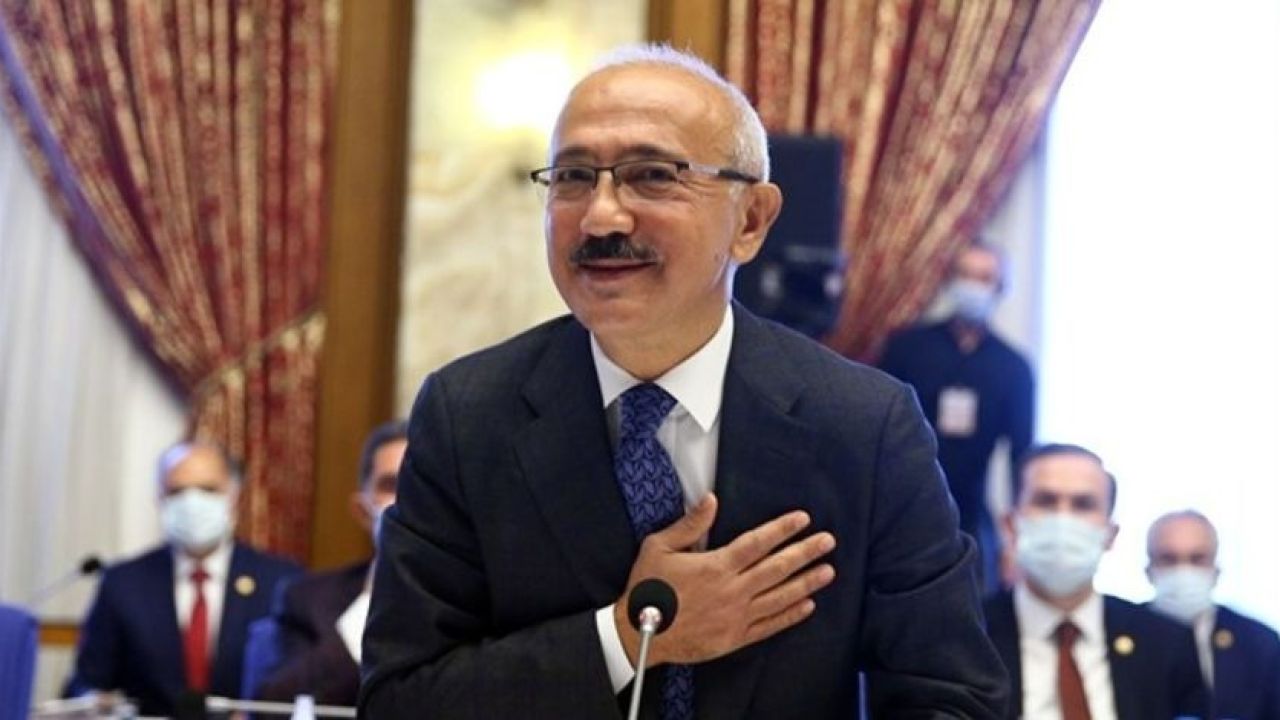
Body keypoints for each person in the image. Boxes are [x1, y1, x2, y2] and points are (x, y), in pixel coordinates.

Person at [360, 44, 1007, 719]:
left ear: (750, 221)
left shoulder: (864, 425)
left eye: (651, 176)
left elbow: (953, 700)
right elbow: (400, 700)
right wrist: (625, 638)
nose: (601, 217)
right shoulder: (468, 416)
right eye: (574, 177)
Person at [66, 441, 301, 717]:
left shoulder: (281, 581)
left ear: (234, 496)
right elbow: (84, 685)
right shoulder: (122, 584)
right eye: (177, 491)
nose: (192, 503)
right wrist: (98, 703)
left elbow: (298, 687)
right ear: (159, 499)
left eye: (208, 490)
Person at [984, 443, 1208, 719]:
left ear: (1110, 534)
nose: (1063, 519)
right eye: (1046, 501)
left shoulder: (1166, 643)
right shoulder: (969, 637)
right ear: (1010, 524)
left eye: (1083, 504)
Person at [878, 241, 1035, 592]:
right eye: (965, 275)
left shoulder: (1013, 367)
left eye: (984, 278)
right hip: (901, 504)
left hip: (972, 511)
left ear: (1000, 288)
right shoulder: (907, 347)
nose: (973, 286)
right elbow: (876, 429)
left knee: (975, 600)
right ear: (949, 279)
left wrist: (1019, 540)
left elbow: (1021, 458)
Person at [245, 420, 408, 704]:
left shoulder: (480, 596)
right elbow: (272, 706)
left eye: (422, 482)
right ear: (362, 510)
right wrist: (369, 606)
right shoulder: (307, 600)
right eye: (391, 485)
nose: (408, 497)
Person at [1145, 509, 1280, 720]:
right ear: (1148, 571)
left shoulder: (1260, 643)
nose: (1183, 572)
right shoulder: (1119, 632)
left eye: (1197, 559)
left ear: (1216, 571)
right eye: (1169, 559)